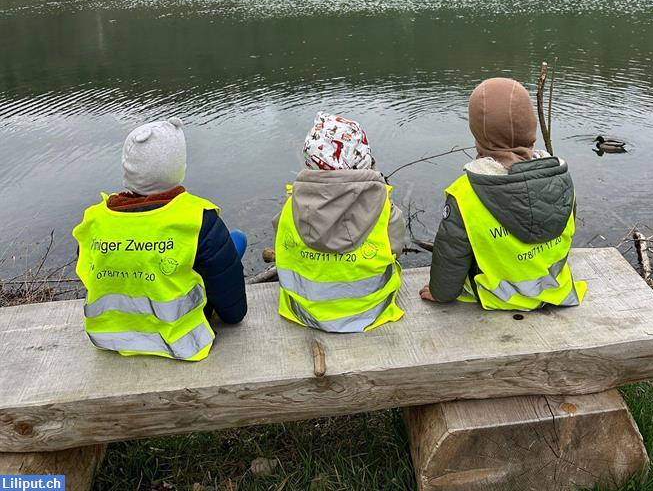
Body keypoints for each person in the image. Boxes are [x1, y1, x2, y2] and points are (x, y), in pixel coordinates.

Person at [72, 117, 247, 361]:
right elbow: (233, 307)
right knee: (235, 241)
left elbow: (92, 274)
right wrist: (233, 315)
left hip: (107, 337)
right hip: (180, 338)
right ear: (177, 169)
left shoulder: (95, 220)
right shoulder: (196, 218)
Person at [420, 78, 587, 310]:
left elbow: (451, 255)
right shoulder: (561, 179)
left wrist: (441, 293)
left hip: (497, 296)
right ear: (531, 126)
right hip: (555, 289)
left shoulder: (465, 193)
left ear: (478, 132)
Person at [274, 111, 405, 332]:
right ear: (363, 161)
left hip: (303, 311)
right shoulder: (384, 208)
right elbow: (396, 248)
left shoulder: (291, 205)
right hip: (370, 311)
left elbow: (281, 241)